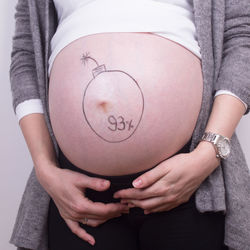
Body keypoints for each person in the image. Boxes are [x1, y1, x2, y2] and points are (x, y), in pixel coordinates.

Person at [9, 0, 250, 250]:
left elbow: (241, 37)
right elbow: (26, 55)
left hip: (190, 180)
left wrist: (209, 153)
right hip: (76, 191)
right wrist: (45, 168)